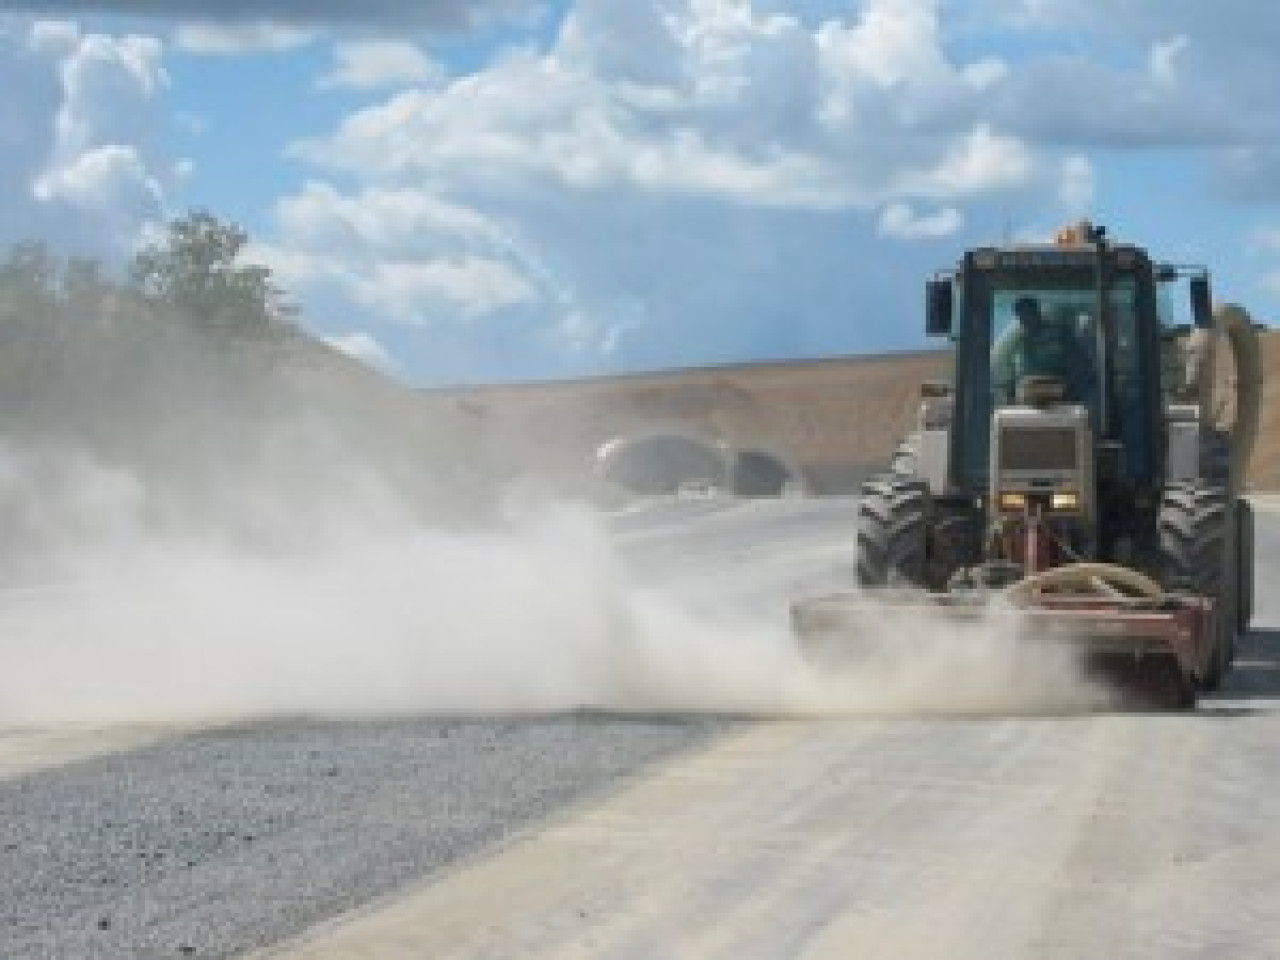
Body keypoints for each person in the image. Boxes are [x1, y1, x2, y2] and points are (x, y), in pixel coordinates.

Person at [991, 295, 1094, 403]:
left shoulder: (1060, 336)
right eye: (1022, 317)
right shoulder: (1016, 342)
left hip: (1063, 400)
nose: (1025, 320)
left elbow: (1081, 369)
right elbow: (1006, 377)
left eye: (1028, 314)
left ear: (1036, 312)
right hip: (1027, 403)